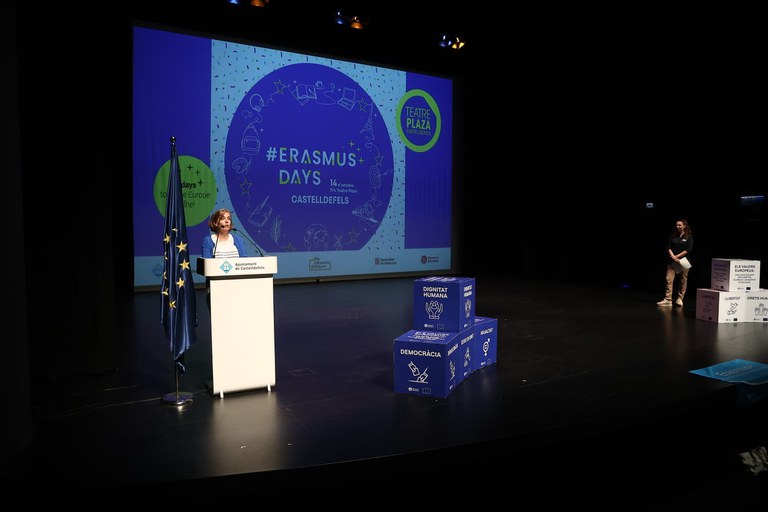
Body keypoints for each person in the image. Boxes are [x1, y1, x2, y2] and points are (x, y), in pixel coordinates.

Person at [202, 208, 248, 307]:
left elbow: (244, 261)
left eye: (229, 218)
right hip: (216, 286)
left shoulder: (237, 239)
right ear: (215, 222)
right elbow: (207, 264)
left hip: (237, 285)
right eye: (223, 218)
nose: (227, 221)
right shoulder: (208, 241)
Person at [657, 219, 693, 307]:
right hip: (672, 261)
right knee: (668, 279)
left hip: (684, 261)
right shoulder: (672, 236)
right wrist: (673, 256)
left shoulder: (688, 237)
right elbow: (669, 247)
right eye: (676, 225)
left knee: (683, 280)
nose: (677, 227)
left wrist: (677, 257)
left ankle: (680, 299)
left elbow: (688, 249)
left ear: (684, 226)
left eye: (679, 225)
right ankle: (668, 299)